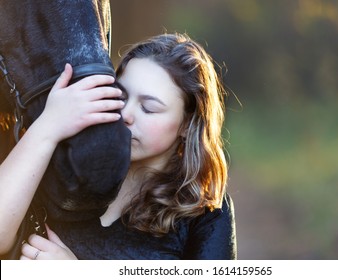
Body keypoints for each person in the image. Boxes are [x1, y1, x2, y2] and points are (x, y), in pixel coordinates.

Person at [0, 33, 237, 260]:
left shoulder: (204, 211)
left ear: (187, 124)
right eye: (121, 96)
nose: (125, 114)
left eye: (149, 108)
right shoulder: (61, 161)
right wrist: (48, 126)